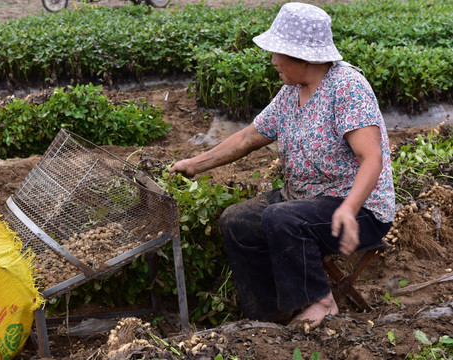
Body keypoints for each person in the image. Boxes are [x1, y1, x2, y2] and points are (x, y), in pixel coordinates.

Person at [169, 2, 395, 329]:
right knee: (237, 220)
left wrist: (348, 209)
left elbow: (372, 158)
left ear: (304, 57)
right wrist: (195, 163)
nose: (273, 61)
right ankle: (269, 316)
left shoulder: (347, 87)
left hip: (359, 209)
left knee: (281, 217)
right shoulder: (291, 92)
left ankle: (321, 301)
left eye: (279, 53)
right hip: (305, 199)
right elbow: (249, 137)